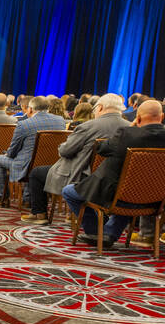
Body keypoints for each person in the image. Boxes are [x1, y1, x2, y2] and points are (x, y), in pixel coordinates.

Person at [63, 99, 165, 245]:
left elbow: (102, 149)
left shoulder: (127, 134)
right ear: (162, 117)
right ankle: (109, 233)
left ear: (138, 118)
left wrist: (131, 127)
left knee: (68, 192)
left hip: (118, 196)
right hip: (155, 199)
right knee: (129, 190)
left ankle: (96, 233)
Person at [23, 93, 128, 224]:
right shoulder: (131, 128)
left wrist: (61, 145)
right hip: (118, 180)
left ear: (100, 107)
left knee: (36, 173)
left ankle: (39, 214)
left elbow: (66, 151)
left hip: (82, 177)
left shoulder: (88, 127)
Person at [0, 95, 67, 207]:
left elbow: (12, 151)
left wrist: (7, 153)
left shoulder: (24, 124)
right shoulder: (60, 121)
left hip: (27, 166)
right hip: (50, 165)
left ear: (30, 109)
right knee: (33, 159)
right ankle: (27, 199)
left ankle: (2, 198)